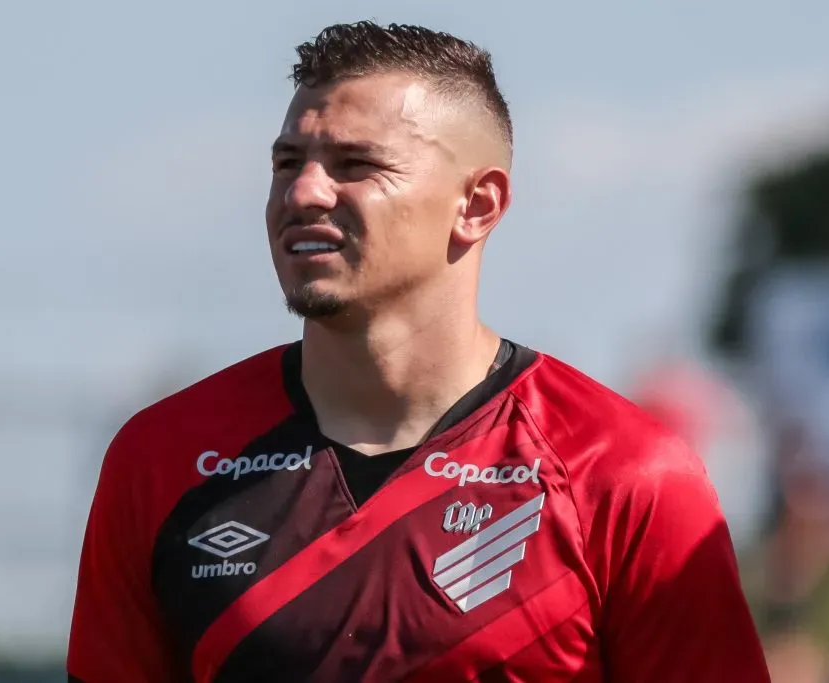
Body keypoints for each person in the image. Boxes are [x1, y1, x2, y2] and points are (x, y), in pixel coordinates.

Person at [67, 21, 771, 683]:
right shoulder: (162, 458)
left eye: (354, 164)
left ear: (478, 205)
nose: (304, 191)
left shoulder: (623, 472)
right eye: (288, 162)